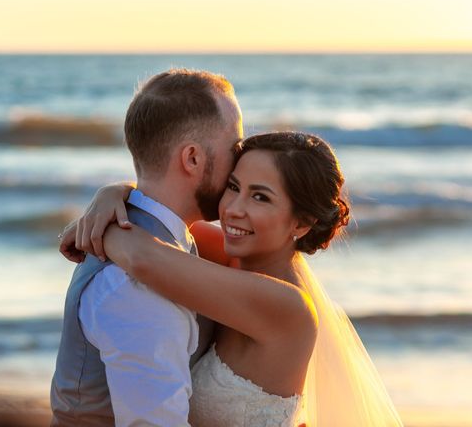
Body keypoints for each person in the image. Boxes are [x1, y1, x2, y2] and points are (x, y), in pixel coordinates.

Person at [63, 132, 404, 426]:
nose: (233, 209)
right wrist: (115, 192)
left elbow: (143, 257)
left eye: (260, 197)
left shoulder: (288, 306)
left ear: (301, 223)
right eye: (233, 187)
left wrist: (96, 229)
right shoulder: (232, 257)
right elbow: (163, 216)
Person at [50, 68, 243, 426]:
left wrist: (118, 189)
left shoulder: (171, 239)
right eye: (235, 148)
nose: (240, 164)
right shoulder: (135, 290)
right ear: (192, 159)